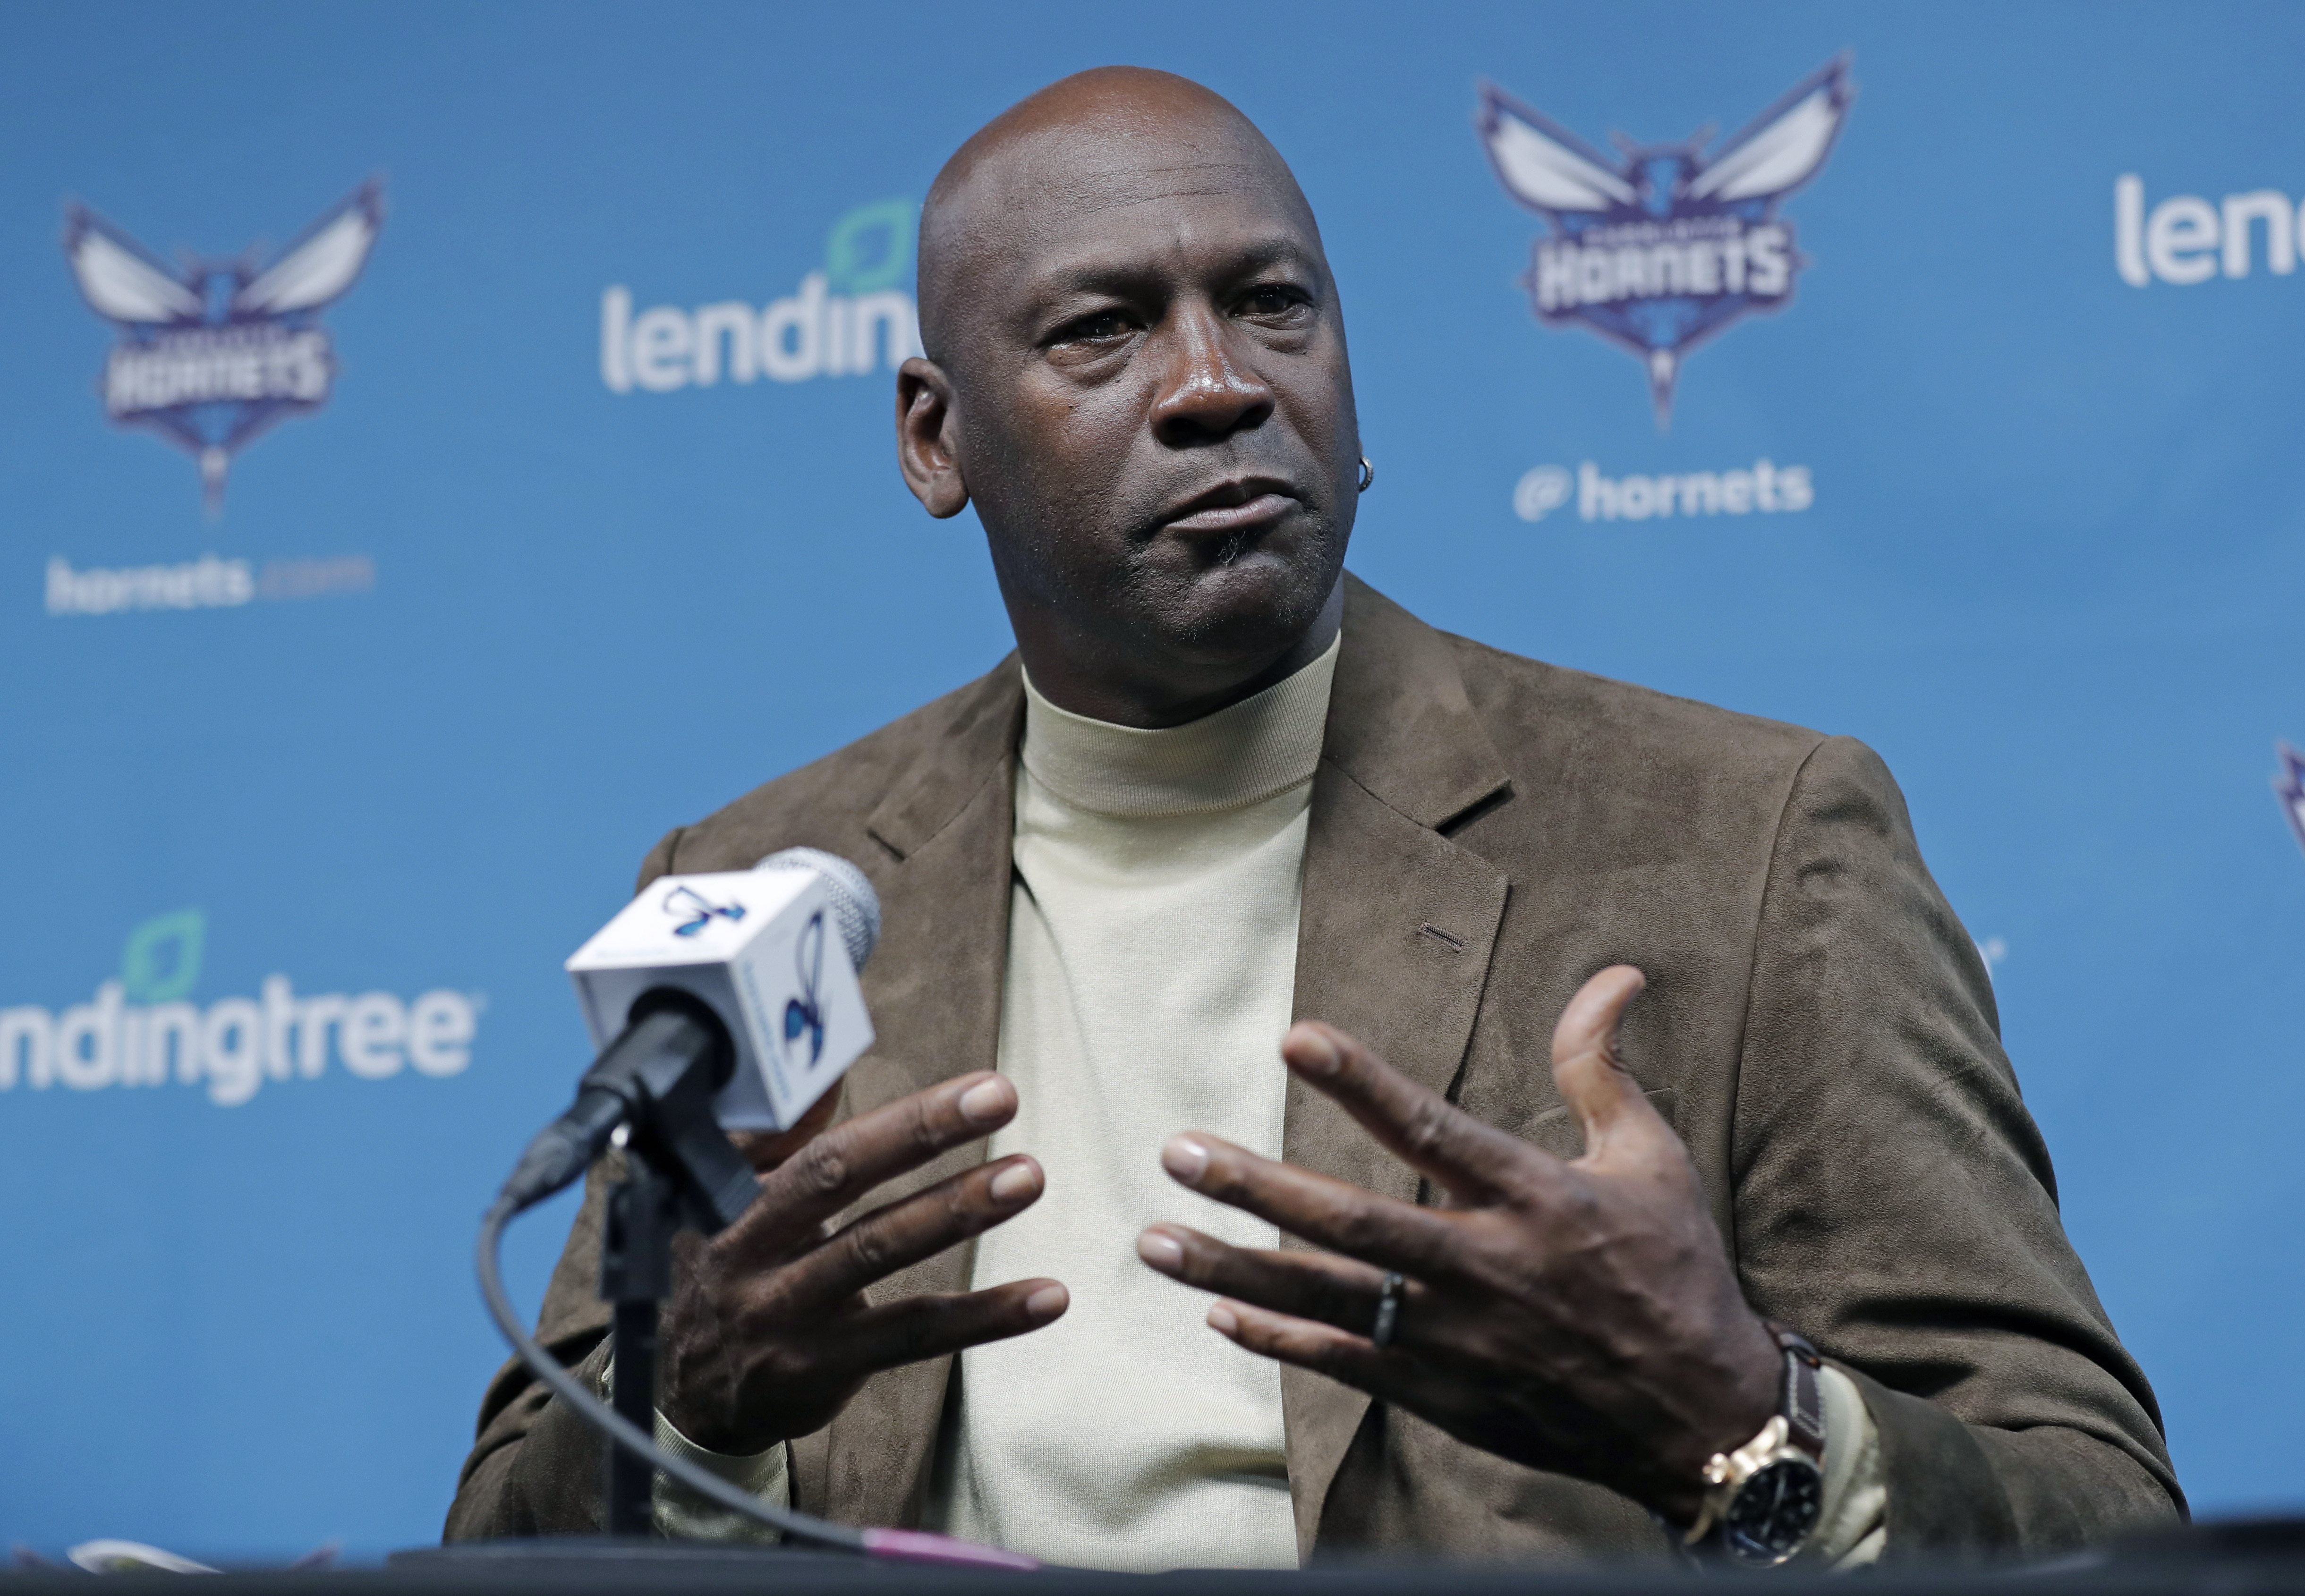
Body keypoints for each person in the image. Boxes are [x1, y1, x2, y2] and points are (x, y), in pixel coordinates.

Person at [445, 67, 2179, 1568]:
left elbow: (2100, 1518)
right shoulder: (759, 883)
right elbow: (501, 1543)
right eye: (1100, 330)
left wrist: (1737, 1410)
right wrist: (698, 1415)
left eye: (1272, 303)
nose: (1214, 383)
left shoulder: (1749, 839)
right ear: (931, 434)